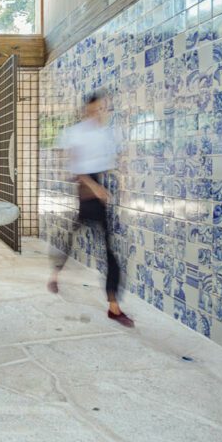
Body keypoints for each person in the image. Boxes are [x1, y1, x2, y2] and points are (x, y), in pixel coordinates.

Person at [48, 89, 134, 327]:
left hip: (99, 193)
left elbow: (111, 164)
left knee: (104, 249)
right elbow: (74, 169)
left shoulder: (107, 134)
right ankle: (112, 306)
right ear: (88, 109)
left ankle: (113, 306)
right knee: (80, 242)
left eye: (104, 108)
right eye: (97, 108)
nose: (101, 112)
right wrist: (94, 187)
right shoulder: (76, 133)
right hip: (87, 193)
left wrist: (116, 182)